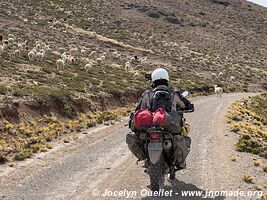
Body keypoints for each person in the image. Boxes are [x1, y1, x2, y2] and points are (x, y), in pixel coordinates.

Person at [126, 68, 194, 170]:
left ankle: (145, 157)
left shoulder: (147, 94)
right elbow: (188, 106)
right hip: (170, 125)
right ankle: (180, 162)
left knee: (136, 136)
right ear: (167, 79)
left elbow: (139, 110)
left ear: (153, 79)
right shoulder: (174, 93)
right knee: (182, 137)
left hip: (150, 126)